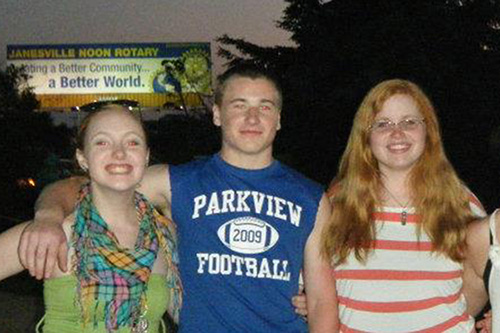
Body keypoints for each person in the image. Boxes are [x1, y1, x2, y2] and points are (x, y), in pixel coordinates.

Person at [18, 65, 338, 332]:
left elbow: (323, 301)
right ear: (216, 114)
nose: (253, 118)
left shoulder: (310, 197)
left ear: (279, 119)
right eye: (239, 105)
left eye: (265, 107)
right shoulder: (176, 181)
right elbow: (84, 185)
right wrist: (47, 216)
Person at [294, 79, 486, 331]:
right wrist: (311, 302)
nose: (397, 133)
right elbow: (300, 292)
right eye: (383, 124)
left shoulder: (461, 203)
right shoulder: (335, 206)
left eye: (409, 122)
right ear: (366, 136)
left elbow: (484, 280)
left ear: (428, 131)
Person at [0, 104, 182, 332]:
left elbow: (186, 312)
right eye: (102, 142)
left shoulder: (164, 235)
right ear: (83, 158)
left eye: (132, 142)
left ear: (145, 157)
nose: (119, 152)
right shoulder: (59, 232)